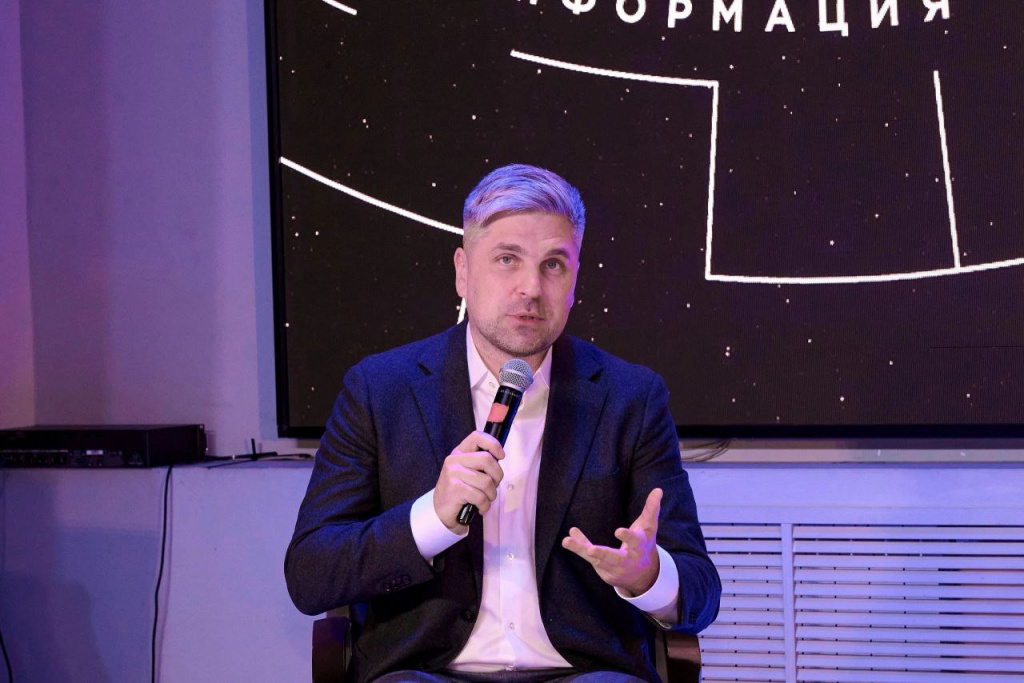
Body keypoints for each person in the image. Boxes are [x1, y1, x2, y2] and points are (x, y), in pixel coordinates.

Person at [285, 164, 720, 682]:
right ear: (463, 271)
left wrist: (648, 576)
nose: (531, 288)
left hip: (582, 673)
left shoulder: (631, 398)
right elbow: (310, 575)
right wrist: (432, 518)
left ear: (575, 280)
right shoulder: (380, 390)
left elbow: (701, 593)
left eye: (553, 264)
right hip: (425, 673)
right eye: (507, 259)